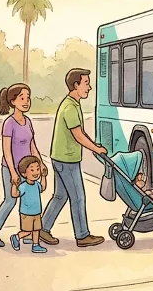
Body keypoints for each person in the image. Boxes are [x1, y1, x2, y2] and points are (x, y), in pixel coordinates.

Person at [39, 68, 107, 247]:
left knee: (60, 196)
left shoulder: (72, 104)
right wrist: (96, 149)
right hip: (67, 160)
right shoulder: (70, 107)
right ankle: (82, 235)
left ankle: (42, 229)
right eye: (86, 83)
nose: (89, 87)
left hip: (61, 158)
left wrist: (94, 146)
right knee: (77, 197)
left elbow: (80, 133)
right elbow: (78, 135)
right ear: (75, 85)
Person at [0, 84, 47, 248]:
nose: (26, 101)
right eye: (22, 98)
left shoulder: (27, 122)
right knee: (11, 200)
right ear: (13, 101)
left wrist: (40, 164)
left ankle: (26, 234)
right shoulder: (9, 123)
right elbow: (6, 150)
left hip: (28, 169)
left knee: (28, 201)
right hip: (11, 169)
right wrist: (13, 173)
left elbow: (32, 146)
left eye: (28, 97)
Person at [10, 156, 47, 254]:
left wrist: (43, 176)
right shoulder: (24, 186)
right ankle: (16, 237)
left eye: (37, 169)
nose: (36, 172)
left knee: (36, 230)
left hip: (37, 212)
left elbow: (43, 187)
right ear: (24, 173)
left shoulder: (36, 184)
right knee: (27, 231)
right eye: (32, 170)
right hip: (26, 213)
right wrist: (14, 185)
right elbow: (15, 194)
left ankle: (35, 245)